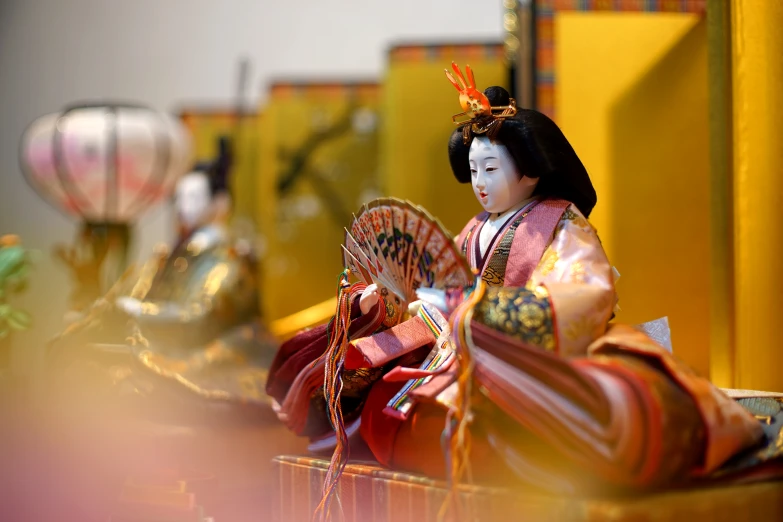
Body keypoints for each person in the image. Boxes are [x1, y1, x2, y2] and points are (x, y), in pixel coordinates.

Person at [267, 65, 779, 494]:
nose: (482, 185)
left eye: (492, 169)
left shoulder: (560, 223)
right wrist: (395, 302)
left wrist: (483, 313)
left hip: (526, 360)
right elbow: (442, 297)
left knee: (507, 422)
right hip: (458, 356)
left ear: (530, 172)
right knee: (385, 404)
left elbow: (585, 293)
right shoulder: (472, 231)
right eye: (475, 171)